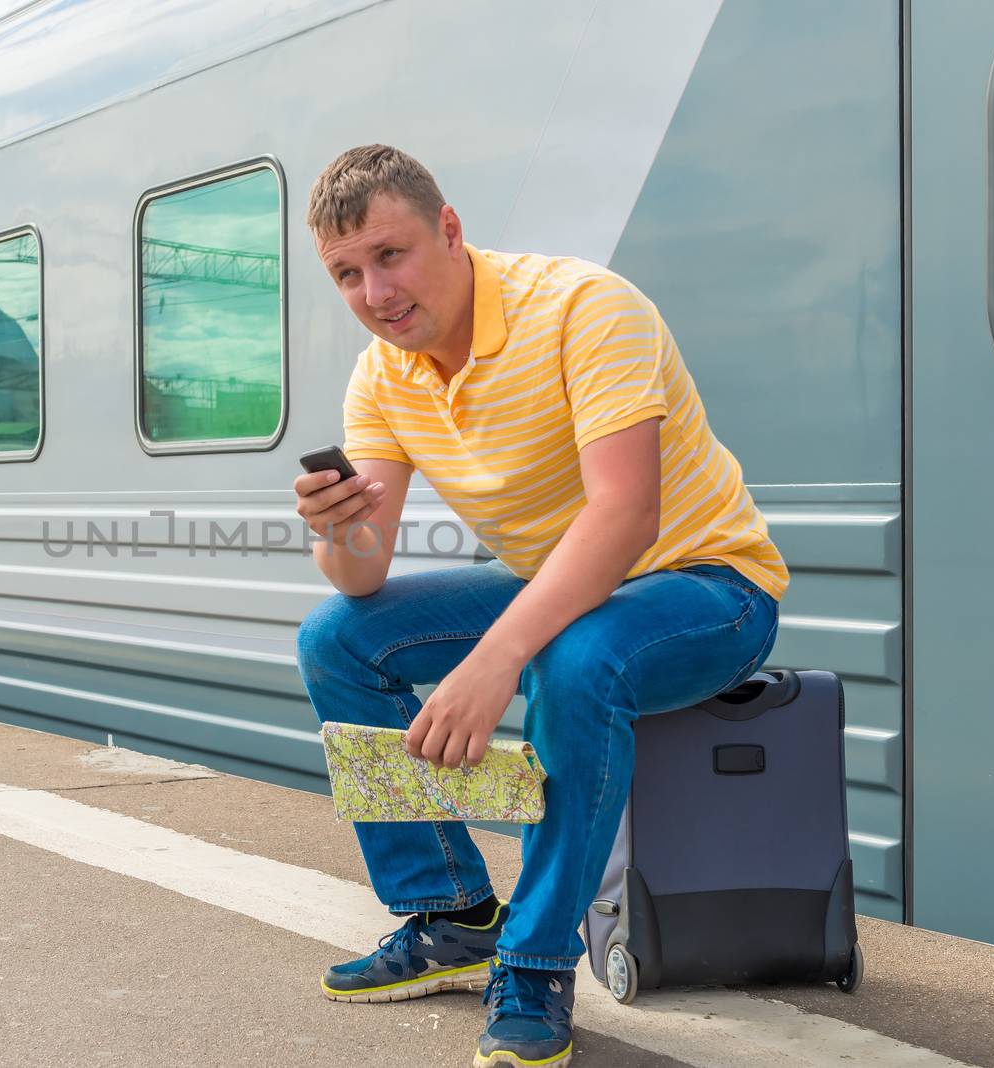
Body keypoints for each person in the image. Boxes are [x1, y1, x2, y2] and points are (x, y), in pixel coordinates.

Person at [293, 145, 787, 1068]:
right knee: (337, 640)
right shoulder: (383, 376)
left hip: (709, 582)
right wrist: (336, 527)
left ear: (450, 230)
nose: (374, 292)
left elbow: (626, 514)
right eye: (346, 274)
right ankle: (450, 913)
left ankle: (535, 956)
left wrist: (497, 658)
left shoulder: (583, 307)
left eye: (390, 256)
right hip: (555, 582)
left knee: (575, 661)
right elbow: (360, 579)